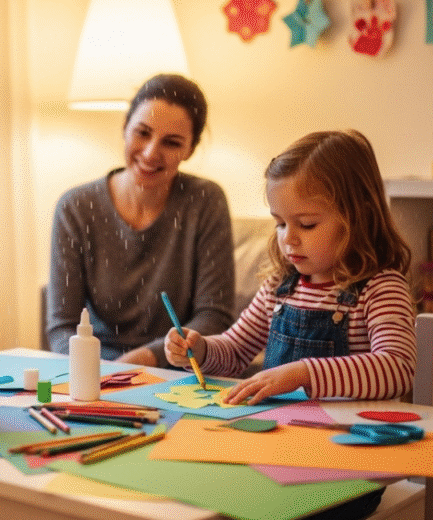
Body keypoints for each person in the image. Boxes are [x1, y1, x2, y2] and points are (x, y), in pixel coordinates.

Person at [164, 129, 417, 402]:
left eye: (307, 224)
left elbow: (398, 368)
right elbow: (236, 350)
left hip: (347, 438)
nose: (289, 238)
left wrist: (304, 373)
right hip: (281, 431)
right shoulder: (280, 288)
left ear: (358, 218)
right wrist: (199, 348)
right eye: (280, 223)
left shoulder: (381, 289)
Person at [46, 73, 235, 367]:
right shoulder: (76, 207)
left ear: (190, 150)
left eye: (171, 143)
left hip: (176, 371)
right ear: (125, 128)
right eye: (142, 133)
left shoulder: (205, 201)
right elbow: (61, 328)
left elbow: (214, 317)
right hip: (96, 370)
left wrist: (147, 358)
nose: (150, 153)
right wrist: (92, 373)